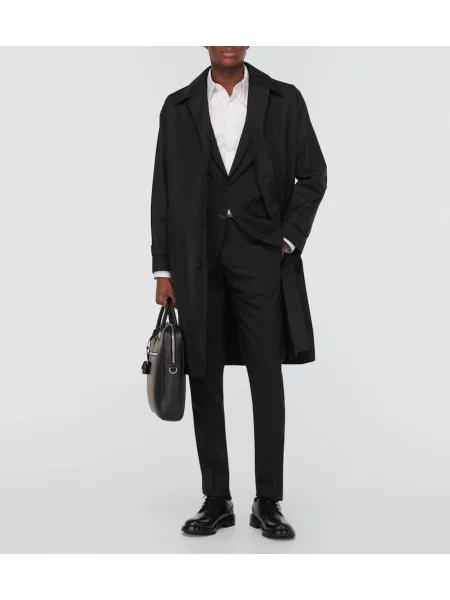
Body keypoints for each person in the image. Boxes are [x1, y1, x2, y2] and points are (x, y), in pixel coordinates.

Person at [150, 47, 327, 539]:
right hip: (197, 261)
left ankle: (268, 500)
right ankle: (217, 498)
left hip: (261, 257)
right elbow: (163, 188)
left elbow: (313, 173)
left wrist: (286, 239)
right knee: (203, 376)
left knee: (266, 377)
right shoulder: (177, 107)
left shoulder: (284, 100)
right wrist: (163, 269)